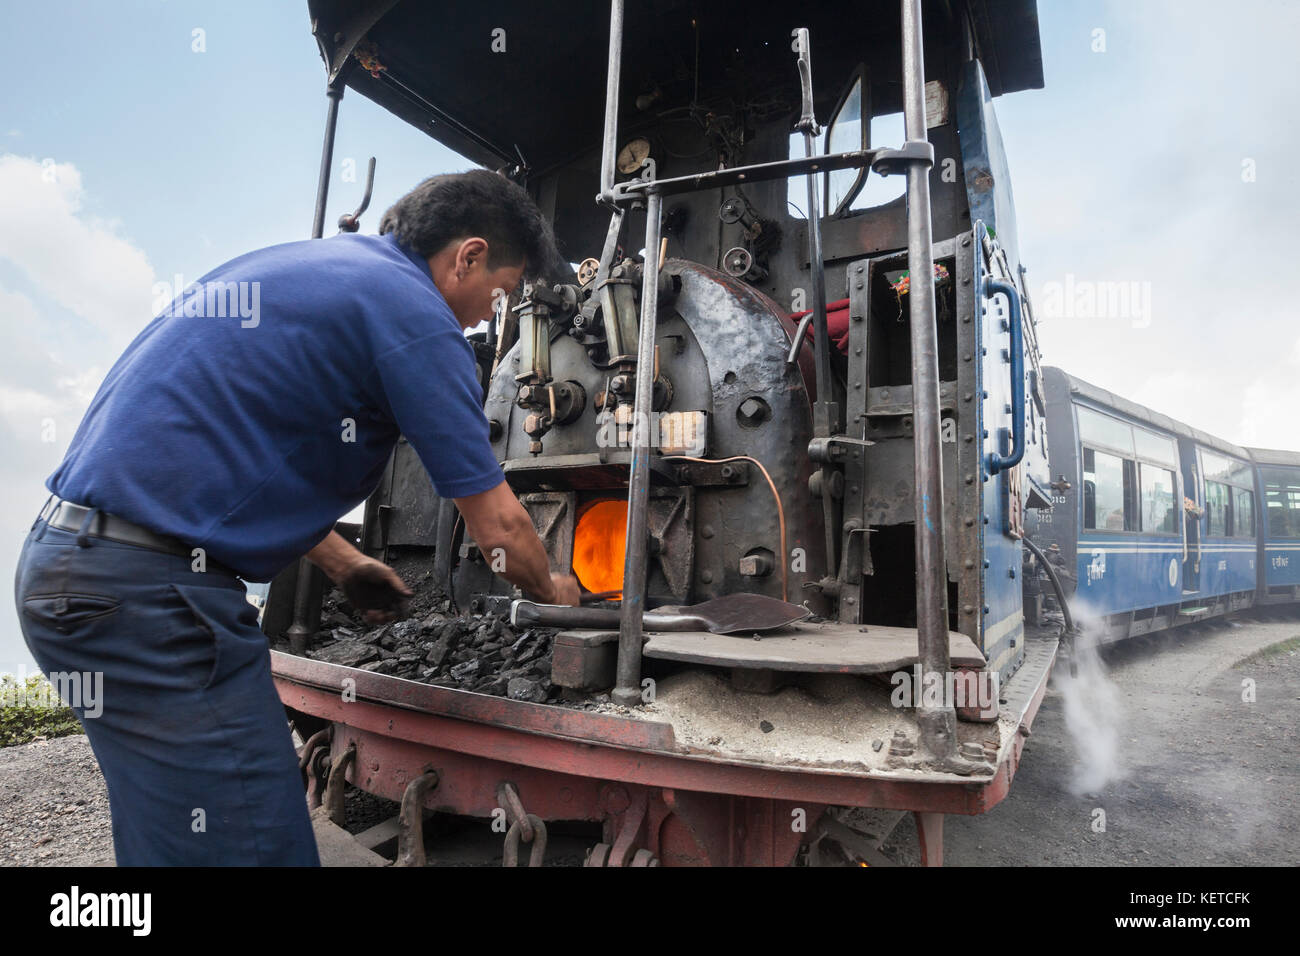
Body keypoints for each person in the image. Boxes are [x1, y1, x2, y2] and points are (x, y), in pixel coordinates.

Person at [13, 169, 581, 866]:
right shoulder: (412, 313)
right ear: (466, 256)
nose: (491, 316)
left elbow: (215, 456)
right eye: (501, 291)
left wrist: (342, 561)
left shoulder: (311, 268)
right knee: (257, 847)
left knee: (174, 835)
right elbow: (499, 528)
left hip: (65, 571)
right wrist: (558, 596)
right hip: (152, 602)